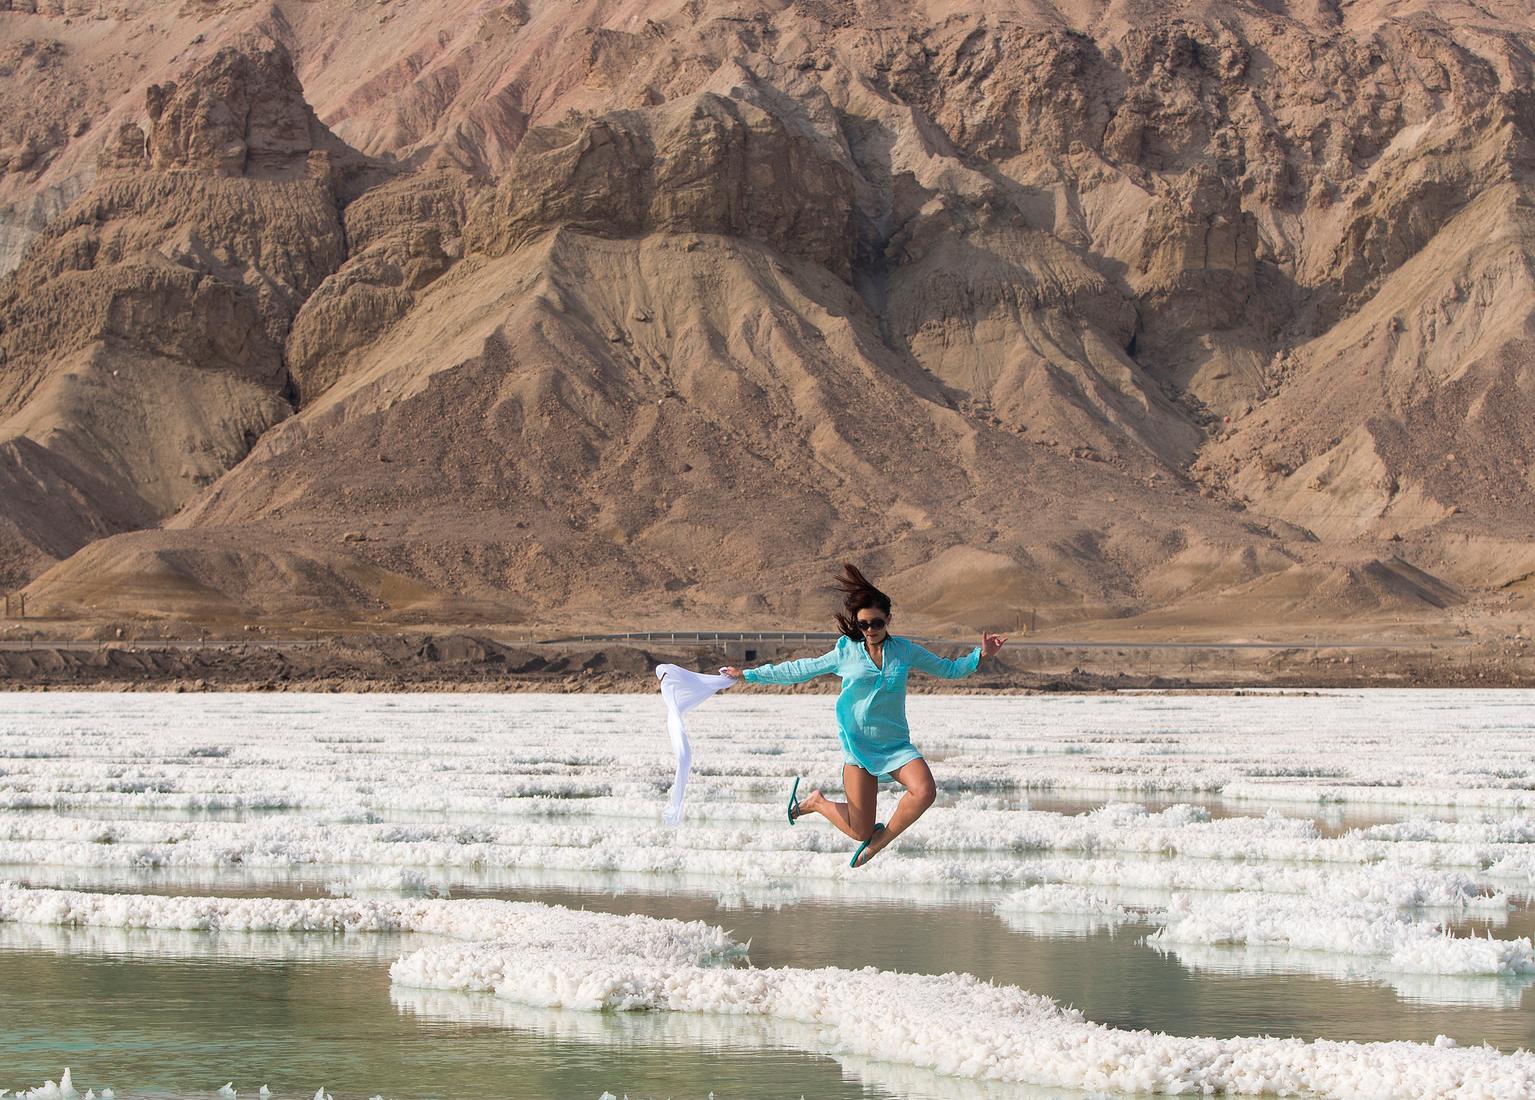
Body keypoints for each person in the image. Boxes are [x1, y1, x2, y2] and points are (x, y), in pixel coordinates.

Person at [722, 563, 1006, 867]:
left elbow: (949, 670)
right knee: (860, 831)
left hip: (895, 744)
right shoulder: (846, 652)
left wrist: (982, 655)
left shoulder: (904, 650)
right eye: (863, 625)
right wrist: (749, 675)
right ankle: (818, 803)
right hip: (858, 747)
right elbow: (799, 669)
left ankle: (880, 842)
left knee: (924, 791)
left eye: (877, 623)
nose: (870, 630)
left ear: (888, 620)